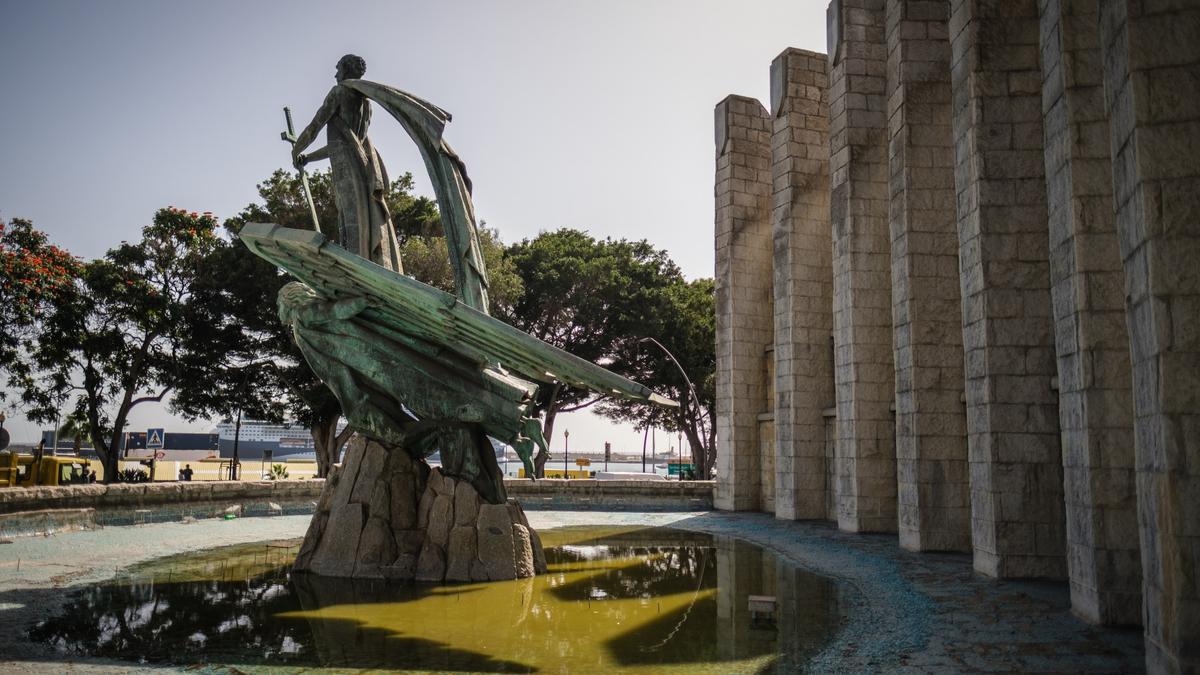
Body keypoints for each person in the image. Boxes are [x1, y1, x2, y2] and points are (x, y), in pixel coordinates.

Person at [291, 54, 403, 272]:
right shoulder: (367, 105)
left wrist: (297, 149)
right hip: (361, 167)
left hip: (346, 170)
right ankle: (363, 264)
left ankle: (353, 270)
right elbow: (346, 143)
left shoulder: (339, 92)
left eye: (338, 69)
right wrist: (309, 157)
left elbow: (315, 126)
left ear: (345, 70)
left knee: (351, 218)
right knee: (359, 216)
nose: (335, 74)